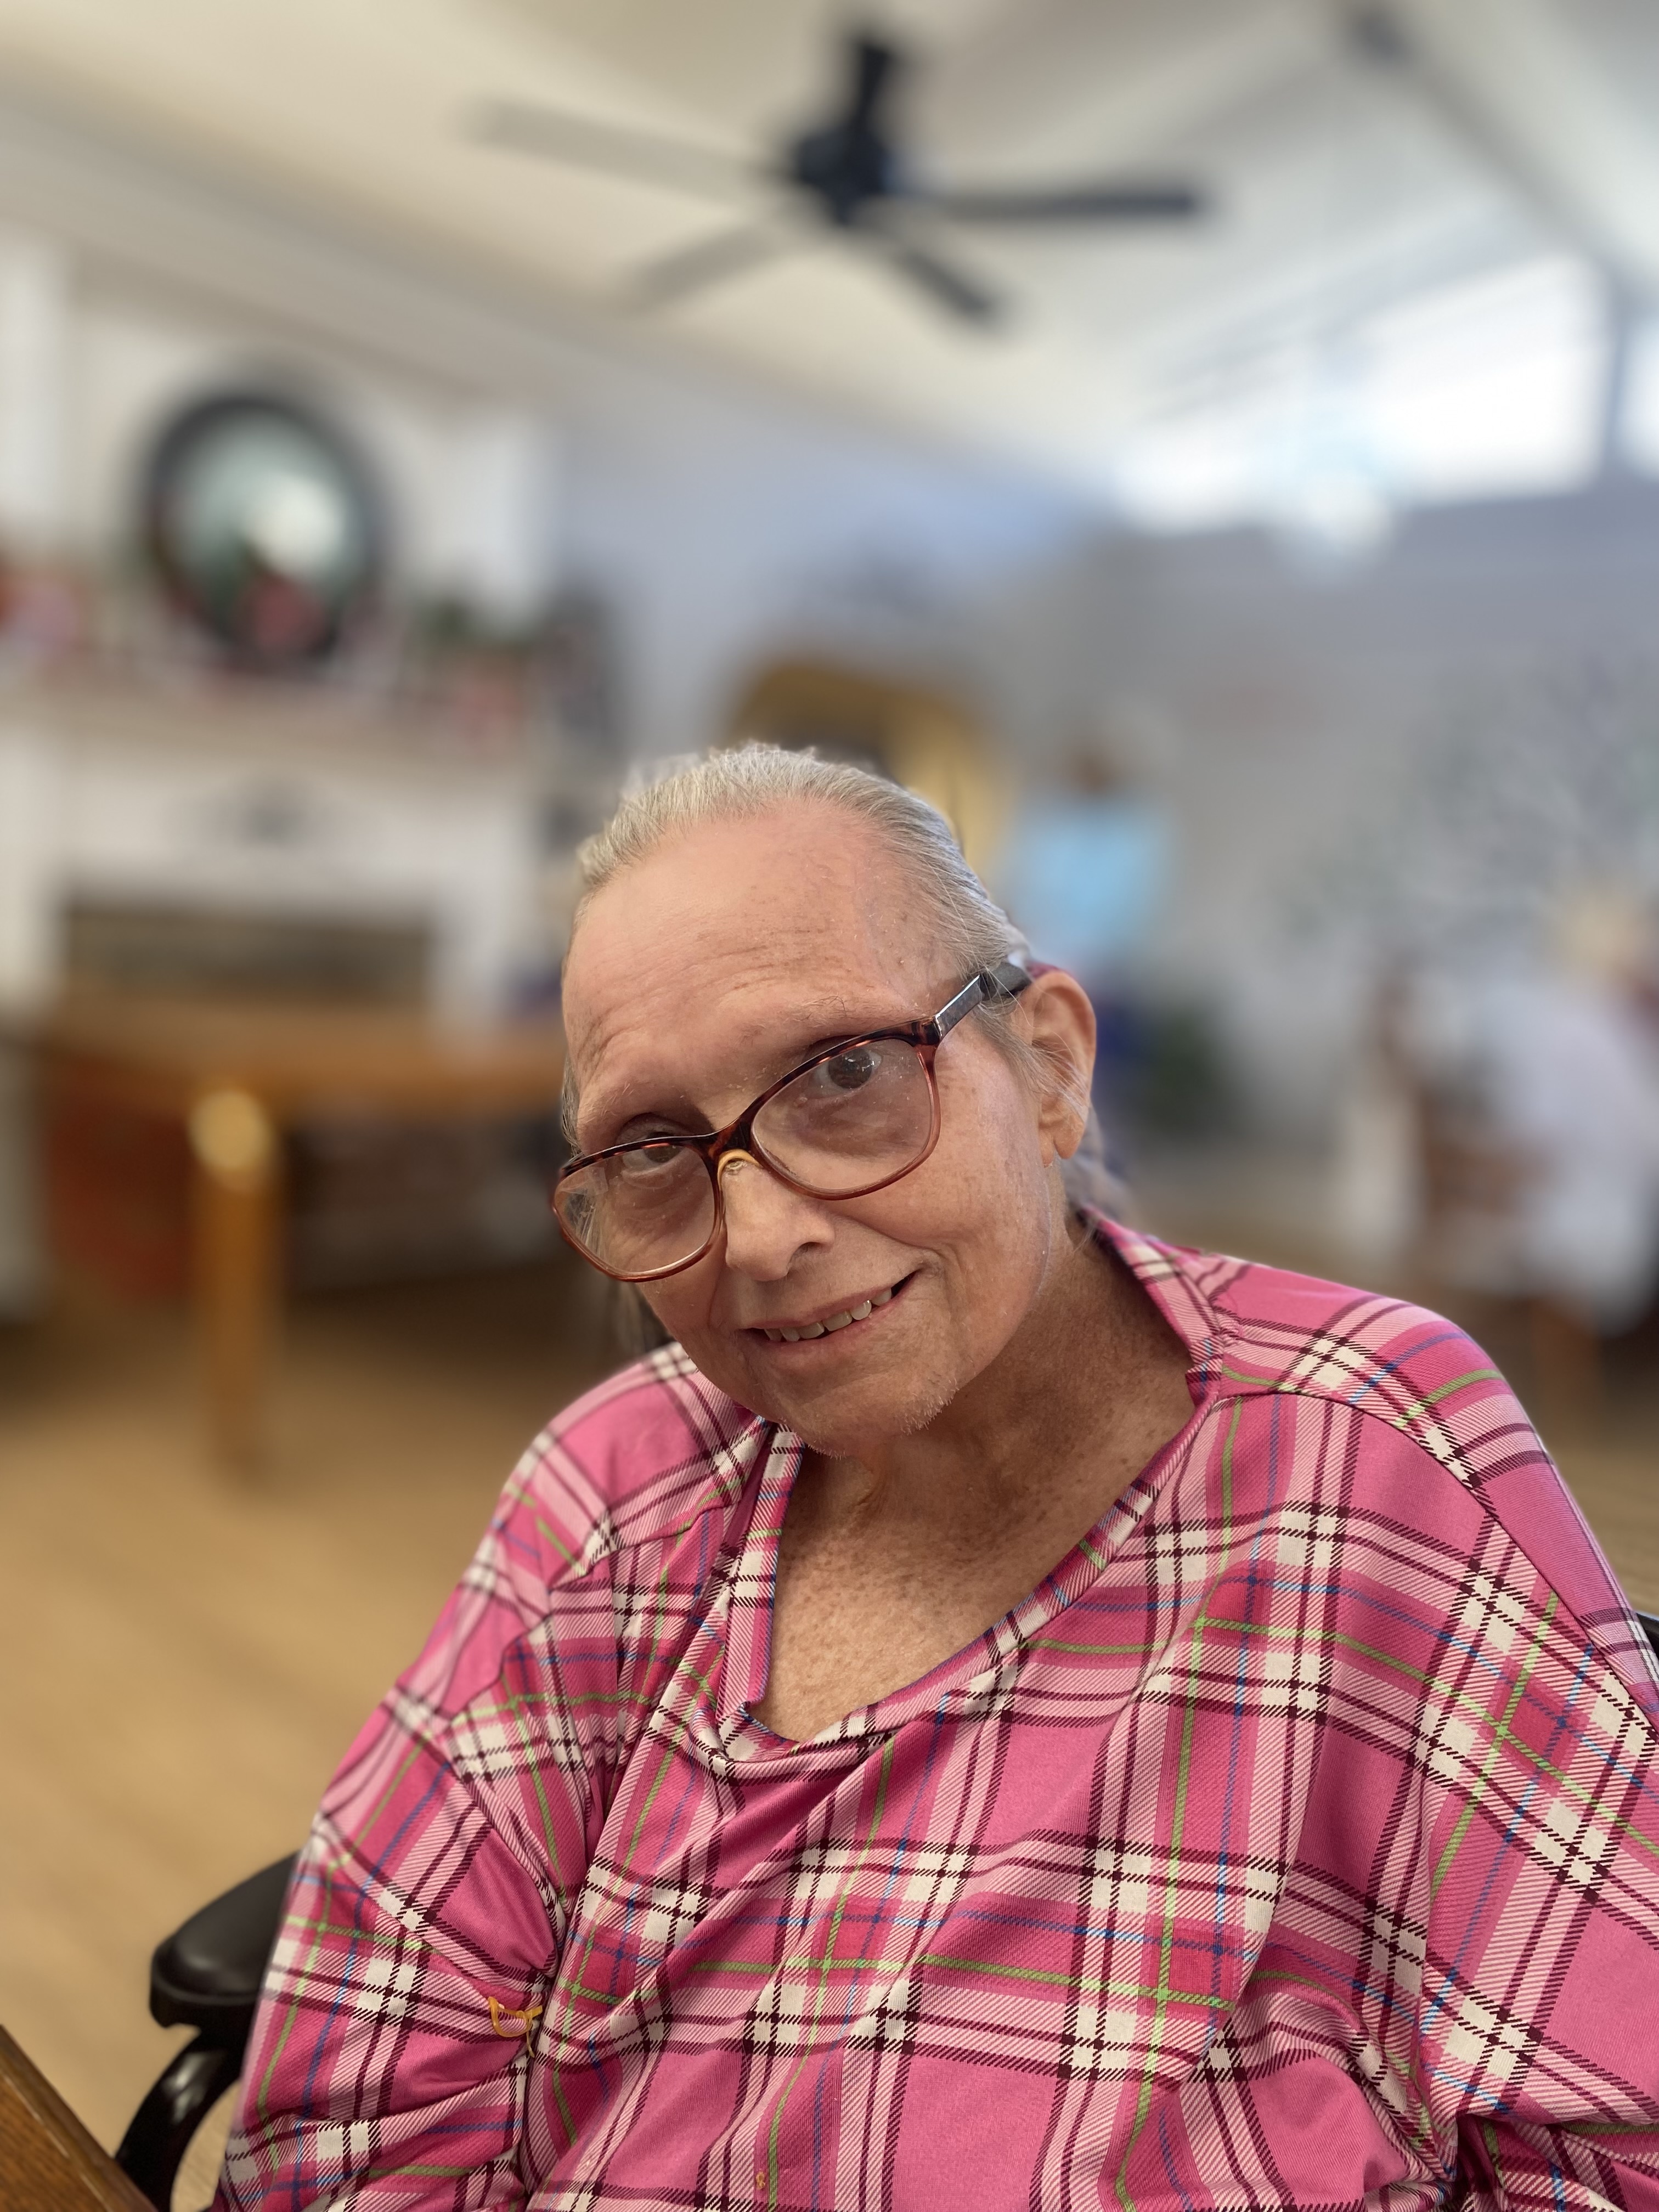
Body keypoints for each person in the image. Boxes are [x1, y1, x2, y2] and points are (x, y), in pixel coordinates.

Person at [217, 747, 1659, 2211]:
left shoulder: (1367, 1457)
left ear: (1049, 1066)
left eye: (845, 1075)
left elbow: (1617, 2144)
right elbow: (352, 2115)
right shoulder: (617, 1488)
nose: (762, 1238)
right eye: (652, 1149)